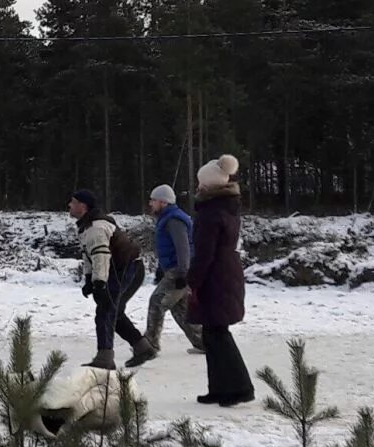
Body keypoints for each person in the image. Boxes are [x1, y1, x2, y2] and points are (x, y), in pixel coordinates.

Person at [188, 155, 254, 406]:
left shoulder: (211, 213)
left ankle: (240, 387)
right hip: (224, 273)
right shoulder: (225, 208)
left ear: (209, 186)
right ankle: (219, 387)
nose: (197, 187)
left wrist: (193, 281)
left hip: (216, 277)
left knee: (217, 333)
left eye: (200, 183)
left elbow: (204, 253)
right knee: (212, 332)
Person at [69, 189, 154, 370]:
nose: (69, 205)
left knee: (106, 311)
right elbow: (89, 255)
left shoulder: (96, 228)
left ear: (83, 206)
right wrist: (89, 278)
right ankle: (142, 347)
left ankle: (105, 357)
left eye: (73, 202)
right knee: (113, 311)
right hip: (123, 269)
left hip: (127, 269)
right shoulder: (87, 226)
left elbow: (101, 255)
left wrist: (99, 283)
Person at [132, 184, 205, 368]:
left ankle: (149, 345)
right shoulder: (167, 218)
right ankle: (205, 342)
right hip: (175, 269)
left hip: (180, 271)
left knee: (157, 302)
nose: (150, 203)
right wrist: (161, 269)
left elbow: (183, 247)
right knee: (180, 310)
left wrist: (182, 272)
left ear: (163, 202)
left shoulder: (174, 220)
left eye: (153, 200)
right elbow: (169, 248)